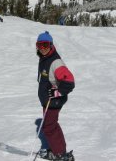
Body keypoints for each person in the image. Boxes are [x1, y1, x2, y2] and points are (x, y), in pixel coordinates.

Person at [36, 31, 75, 161]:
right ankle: (60, 150)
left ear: (51, 45)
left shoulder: (55, 62)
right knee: (52, 125)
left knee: (49, 128)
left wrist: (56, 92)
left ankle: (60, 154)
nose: (43, 48)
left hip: (54, 100)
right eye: (39, 45)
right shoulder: (44, 59)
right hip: (47, 100)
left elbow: (69, 82)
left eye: (45, 45)